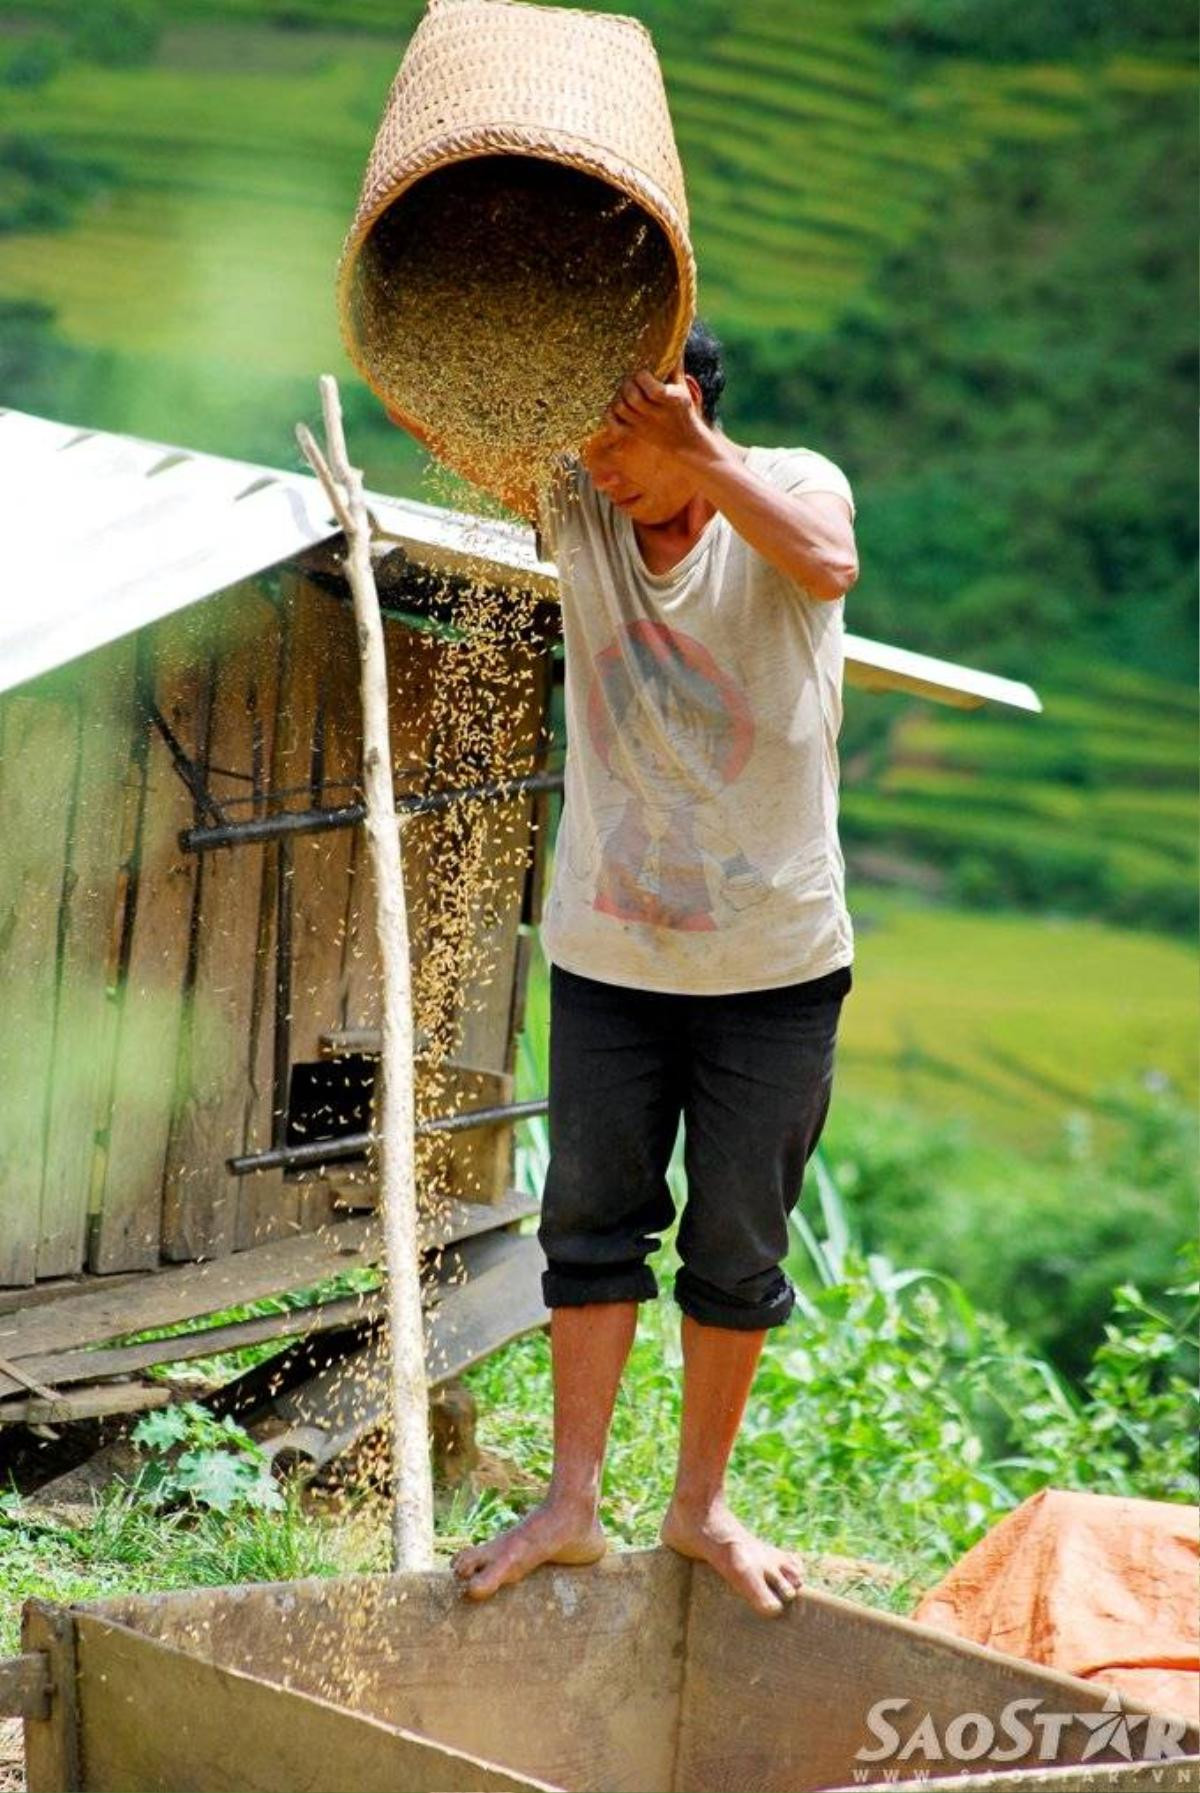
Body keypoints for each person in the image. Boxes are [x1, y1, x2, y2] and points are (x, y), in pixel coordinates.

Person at [394, 318, 860, 1617]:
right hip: (610, 956)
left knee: (734, 1239)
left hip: (774, 963)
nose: (596, 469)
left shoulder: (796, 485)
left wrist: (693, 455)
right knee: (591, 1223)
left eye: (623, 441)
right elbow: (443, 413)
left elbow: (828, 565)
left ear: (691, 412)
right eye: (588, 440)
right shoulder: (577, 500)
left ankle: (699, 1504)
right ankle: (571, 1502)